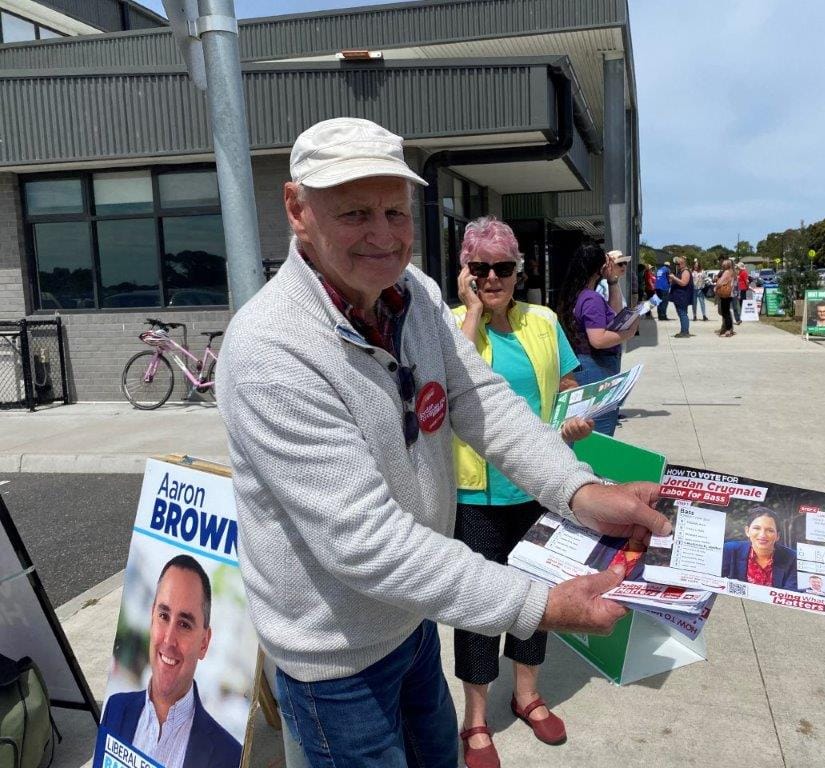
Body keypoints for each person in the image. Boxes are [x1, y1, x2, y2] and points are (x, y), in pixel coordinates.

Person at [217, 118, 672, 767]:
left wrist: (581, 490)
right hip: (334, 658)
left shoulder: (417, 295)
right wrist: (538, 604)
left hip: (410, 622)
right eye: (354, 213)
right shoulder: (271, 349)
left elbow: (480, 399)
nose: (382, 234)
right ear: (297, 208)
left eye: (394, 211)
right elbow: (364, 542)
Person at [451, 216, 593, 766]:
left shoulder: (543, 320)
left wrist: (579, 417)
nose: (492, 278)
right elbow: (448, 384)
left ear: (518, 271)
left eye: (502, 268)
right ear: (465, 272)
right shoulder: (449, 323)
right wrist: (470, 315)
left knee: (539, 601)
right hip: (475, 494)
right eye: (480, 268)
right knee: (481, 606)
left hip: (539, 487)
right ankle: (477, 719)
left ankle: (528, 694)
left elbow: (569, 387)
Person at [100, 555, 242, 768]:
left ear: (204, 643)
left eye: (184, 624)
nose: (168, 639)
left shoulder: (230, 756)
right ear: (151, 619)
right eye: (164, 616)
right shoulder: (114, 708)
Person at [556, 244, 639, 437]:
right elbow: (598, 339)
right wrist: (629, 332)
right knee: (599, 430)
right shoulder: (591, 298)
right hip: (596, 369)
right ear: (601, 268)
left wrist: (613, 282)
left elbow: (615, 313)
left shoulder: (578, 294)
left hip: (584, 366)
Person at [720, 508, 798, 590]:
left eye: (770, 530)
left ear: (777, 536)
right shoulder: (730, 550)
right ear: (747, 531)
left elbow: (791, 593)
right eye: (757, 528)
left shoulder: (792, 558)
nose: (762, 535)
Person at [667, 256, 694, 338]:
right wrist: (672, 280)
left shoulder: (685, 272)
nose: (677, 265)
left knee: (683, 314)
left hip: (682, 296)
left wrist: (674, 278)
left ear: (683, 264)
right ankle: (683, 330)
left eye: (678, 264)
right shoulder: (680, 271)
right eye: (676, 264)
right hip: (678, 296)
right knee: (681, 313)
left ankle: (685, 332)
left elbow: (683, 283)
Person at [715, 258, 736, 337]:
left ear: (726, 265)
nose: (722, 265)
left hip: (725, 293)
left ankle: (728, 329)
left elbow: (720, 283)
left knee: (725, 312)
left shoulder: (726, 272)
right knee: (726, 311)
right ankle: (729, 328)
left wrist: (716, 287)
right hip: (730, 293)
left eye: (723, 264)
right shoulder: (732, 272)